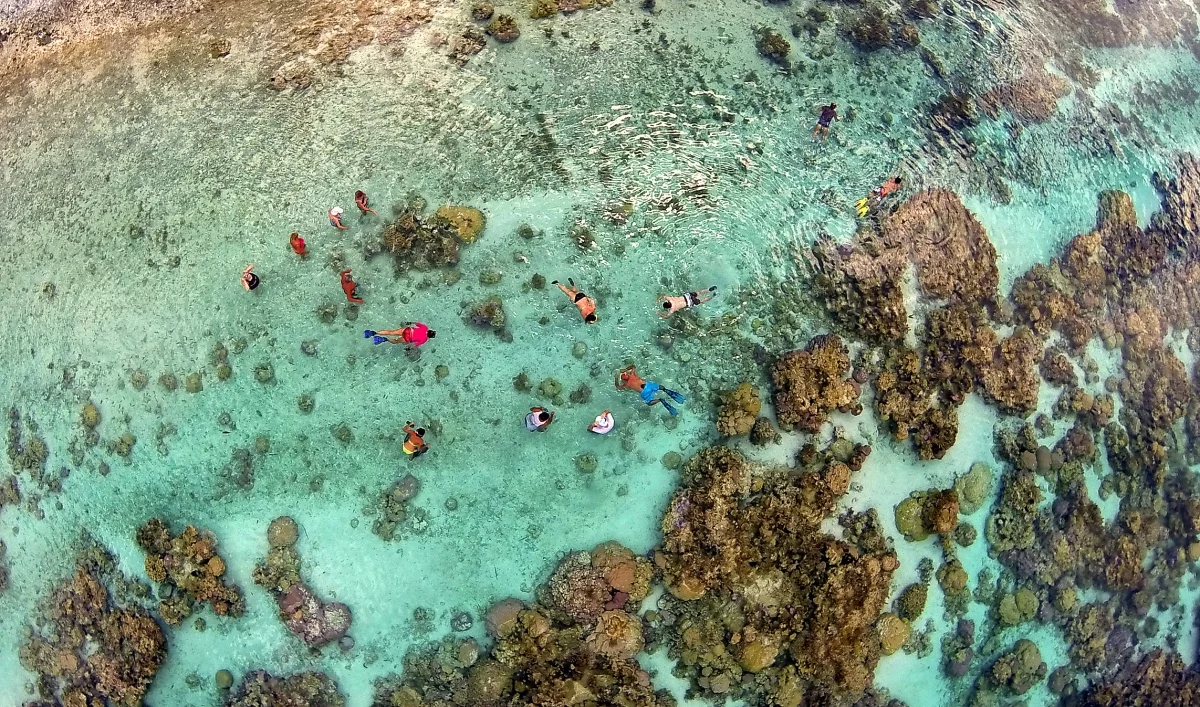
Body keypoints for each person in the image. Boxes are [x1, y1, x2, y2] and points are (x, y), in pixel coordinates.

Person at [616, 365, 686, 416]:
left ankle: (660, 400)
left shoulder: (627, 385)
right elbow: (633, 366)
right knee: (659, 387)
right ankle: (665, 390)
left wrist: (616, 378)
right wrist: (625, 369)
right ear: (627, 374)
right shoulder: (632, 374)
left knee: (649, 403)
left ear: (624, 380)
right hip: (648, 385)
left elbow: (618, 387)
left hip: (644, 392)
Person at [364, 324, 436, 348]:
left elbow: (415, 323)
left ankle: (373, 333)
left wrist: (408, 323)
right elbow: (415, 345)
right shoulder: (424, 339)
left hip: (408, 330)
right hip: (408, 338)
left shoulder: (425, 328)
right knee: (395, 341)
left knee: (391, 332)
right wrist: (409, 348)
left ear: (430, 330)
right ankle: (384, 339)